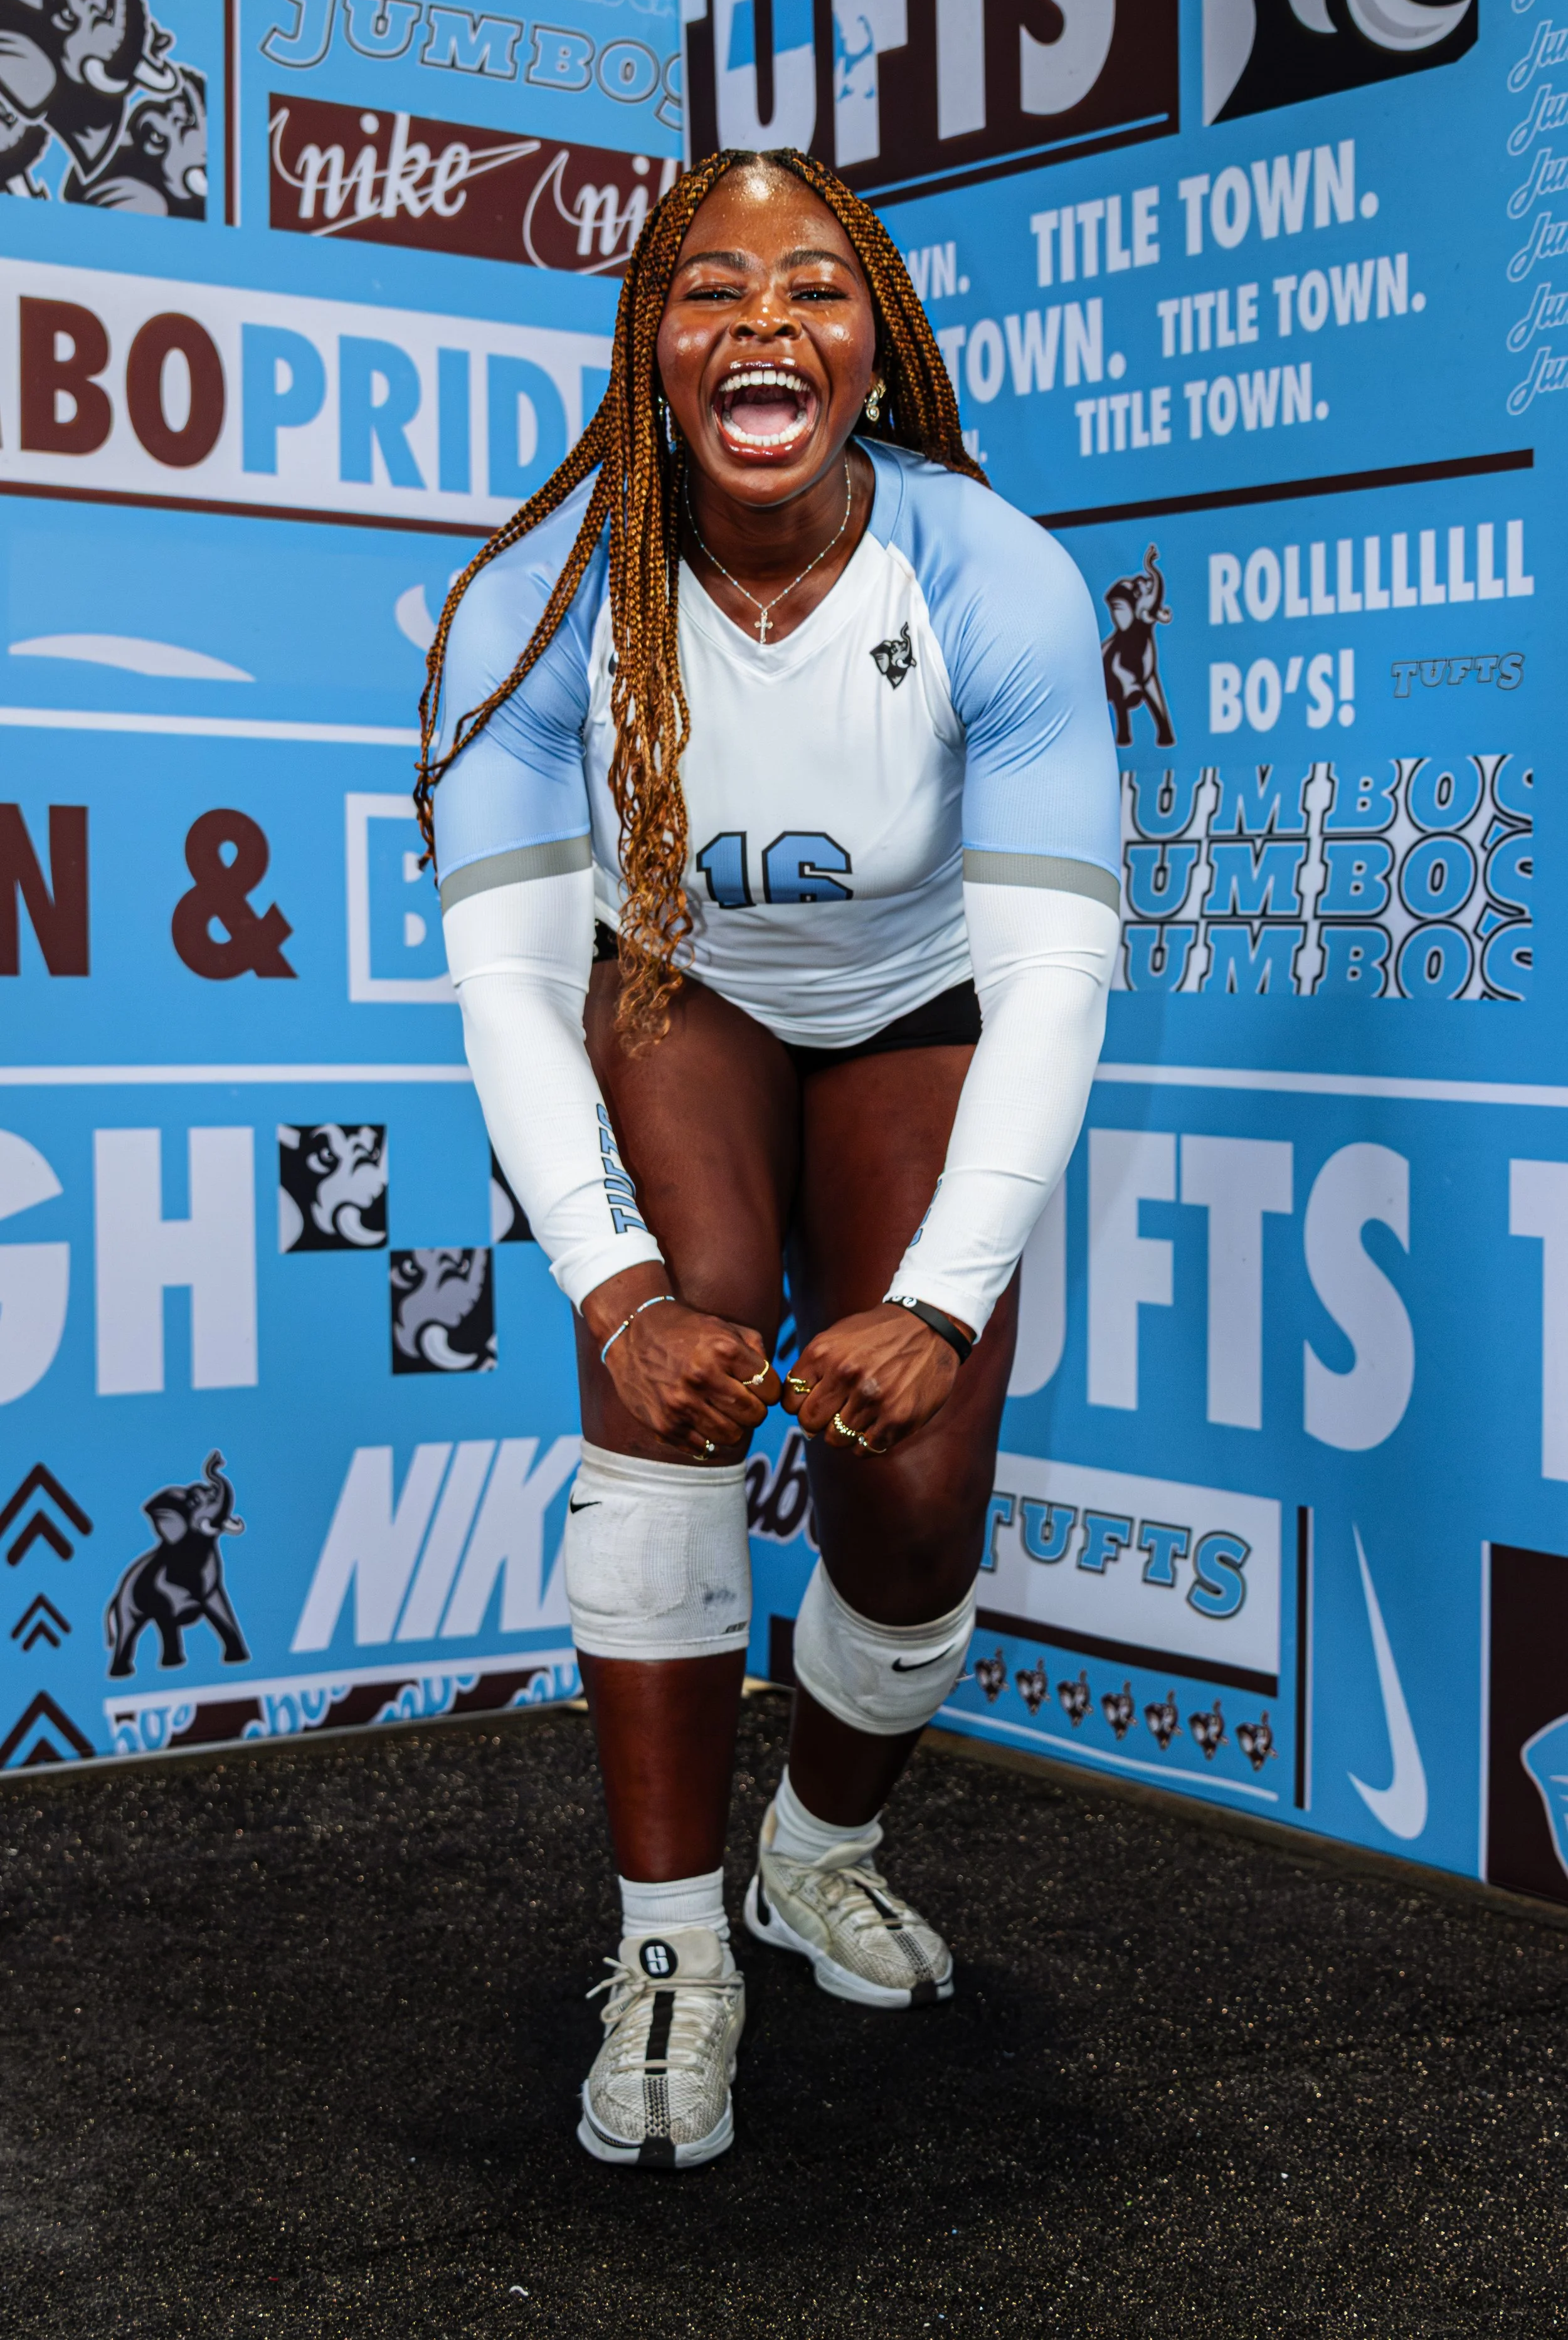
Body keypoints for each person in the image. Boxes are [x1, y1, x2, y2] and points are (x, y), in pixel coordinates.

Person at [416, 149, 1120, 2169]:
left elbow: (1056, 969)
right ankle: (666, 1951)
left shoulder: (991, 569)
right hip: (687, 990)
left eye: (812, 284)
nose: (761, 319)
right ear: (650, 348)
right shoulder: (532, 610)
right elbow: (509, 983)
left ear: (873, 339)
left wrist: (942, 1294)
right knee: (680, 1364)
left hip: (920, 998)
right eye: (706, 288)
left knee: (910, 1499)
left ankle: (812, 1852)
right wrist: (613, 1284)